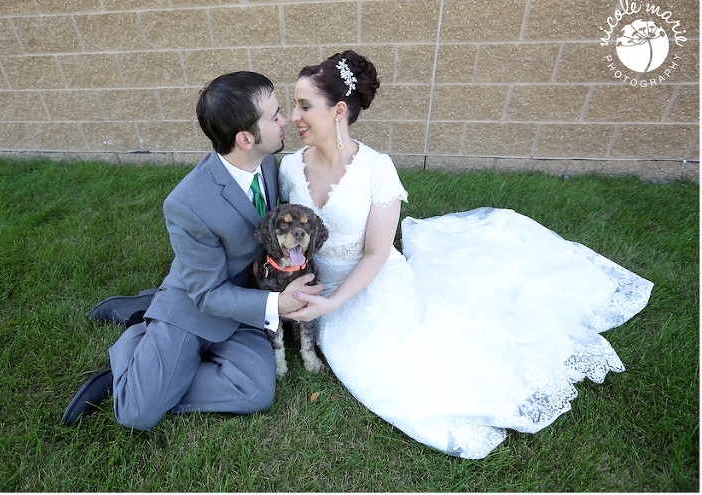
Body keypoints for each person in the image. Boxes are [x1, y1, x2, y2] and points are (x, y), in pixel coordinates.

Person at [278, 50, 654, 459]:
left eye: (304, 106)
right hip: (317, 285)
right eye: (293, 105)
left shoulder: (376, 169)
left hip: (373, 285)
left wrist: (331, 302)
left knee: (404, 369)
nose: (293, 116)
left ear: (338, 110)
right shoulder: (289, 168)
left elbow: (375, 253)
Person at [62, 71, 323, 429]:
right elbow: (207, 294)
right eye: (275, 115)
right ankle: (135, 361)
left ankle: (151, 345)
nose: (286, 121)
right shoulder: (186, 203)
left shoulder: (266, 161)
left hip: (248, 303)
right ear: (245, 138)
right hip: (197, 300)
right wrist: (278, 304)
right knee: (136, 413)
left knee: (256, 392)